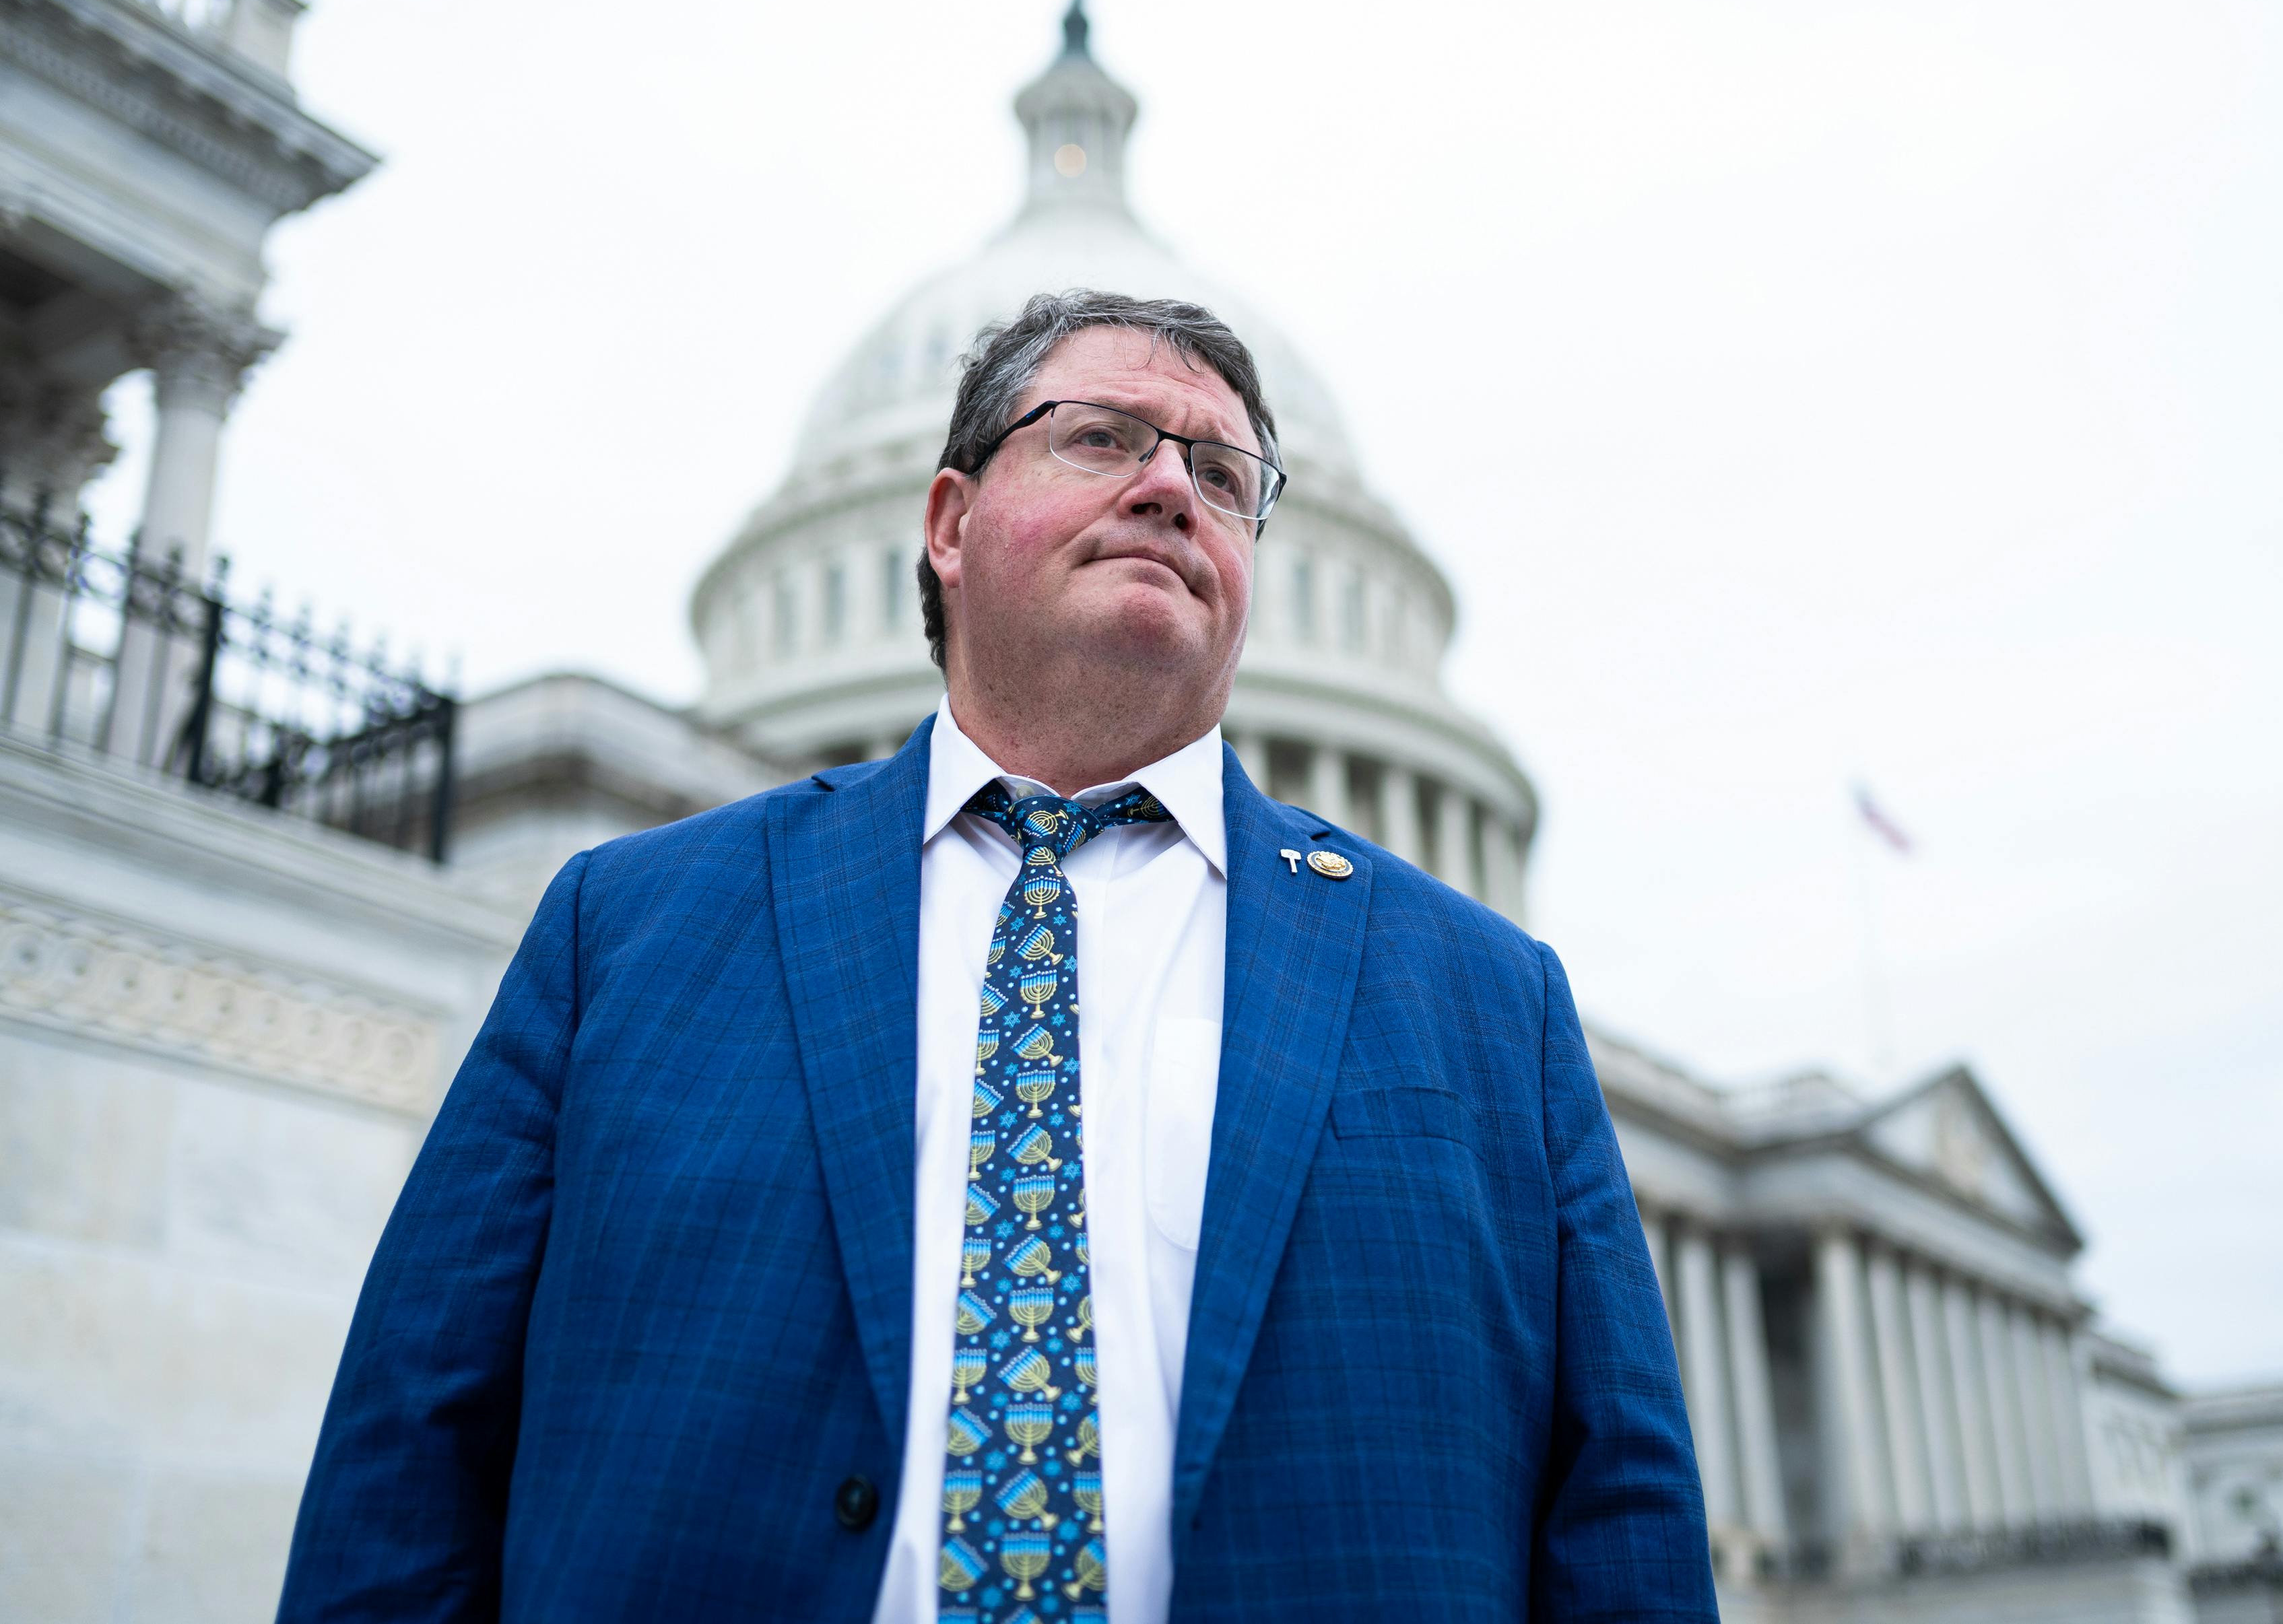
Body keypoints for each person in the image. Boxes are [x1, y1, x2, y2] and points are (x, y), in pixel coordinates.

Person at [278, 290, 1715, 1624]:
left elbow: (1622, 1514)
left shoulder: (1483, 996)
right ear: (949, 524)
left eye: (1222, 477)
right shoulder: (630, 928)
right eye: (1101, 439)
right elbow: (414, 1445)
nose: (1170, 486)